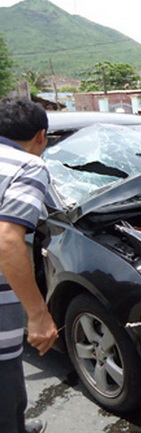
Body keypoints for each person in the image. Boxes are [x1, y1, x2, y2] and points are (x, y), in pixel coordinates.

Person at [0, 98, 58, 433]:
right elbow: (7, 239)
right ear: (41, 136)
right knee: (5, 395)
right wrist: (38, 314)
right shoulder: (28, 166)